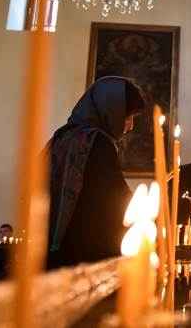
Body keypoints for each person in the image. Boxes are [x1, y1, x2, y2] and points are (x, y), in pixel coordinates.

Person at [47, 76, 147, 267]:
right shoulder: (96, 142)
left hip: (53, 255)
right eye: (128, 117)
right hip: (82, 259)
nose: (131, 126)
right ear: (111, 110)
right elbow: (119, 203)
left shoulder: (63, 136)